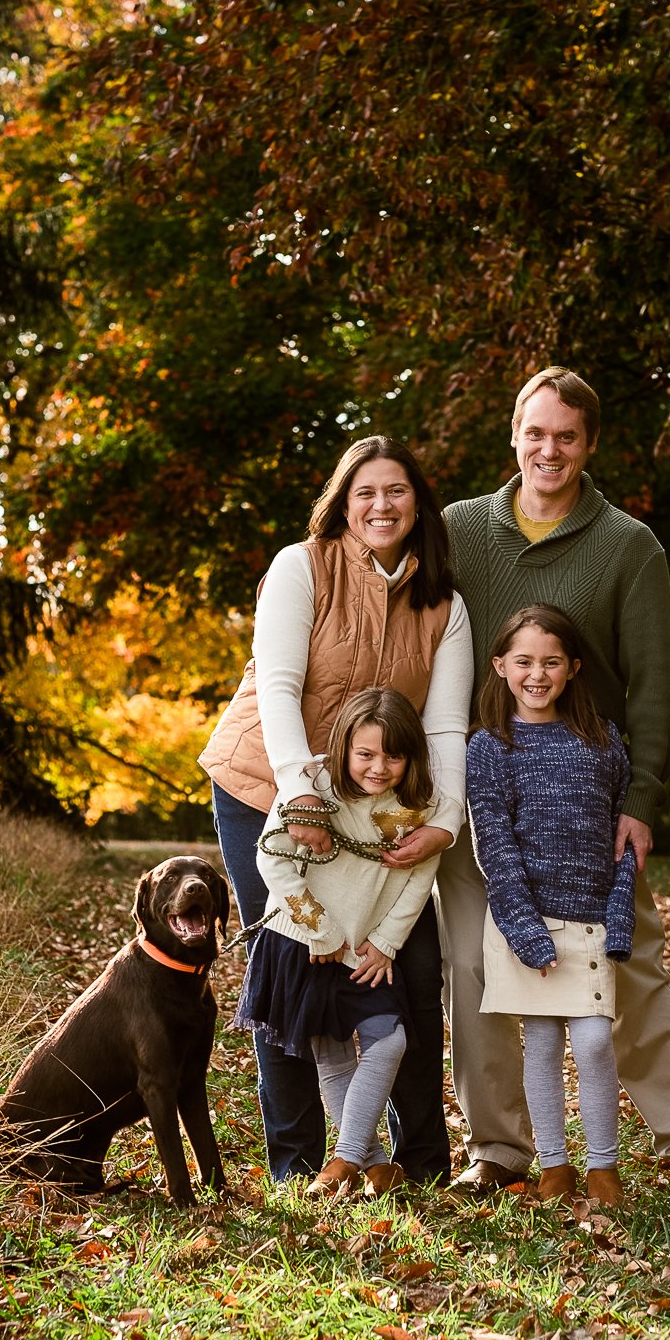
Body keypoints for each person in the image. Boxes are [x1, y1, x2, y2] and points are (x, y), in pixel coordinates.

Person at [438, 366, 670, 1200]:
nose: (550, 450)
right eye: (536, 433)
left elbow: (654, 684)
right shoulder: (459, 531)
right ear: (513, 435)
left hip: (589, 805)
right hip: (488, 796)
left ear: (589, 445)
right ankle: (499, 1150)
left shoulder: (626, 545)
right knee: (477, 972)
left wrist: (640, 800)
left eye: (567, 437)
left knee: (628, 964)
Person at [200, 435, 473, 1183]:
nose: (382, 505)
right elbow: (281, 688)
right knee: (293, 968)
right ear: (344, 503)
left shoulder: (443, 605)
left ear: (419, 506)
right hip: (266, 786)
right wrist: (300, 796)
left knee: (409, 970)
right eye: (366, 493)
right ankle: (298, 1166)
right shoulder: (301, 566)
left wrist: (442, 820)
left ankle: (416, 1165)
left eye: (397, 492)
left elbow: (445, 727)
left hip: (379, 807)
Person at [234, 688, 442, 1198]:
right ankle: (373, 1163)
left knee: (388, 1039)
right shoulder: (314, 787)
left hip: (366, 950)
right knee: (332, 1057)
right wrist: (321, 929)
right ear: (345, 747)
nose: (378, 768)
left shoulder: (420, 805)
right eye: (365, 754)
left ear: (411, 756)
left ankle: (345, 1159)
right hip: (300, 941)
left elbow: (419, 879)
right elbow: (272, 862)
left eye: (392, 756)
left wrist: (387, 942)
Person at [466, 606, 635, 1207]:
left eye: (551, 662)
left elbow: (621, 838)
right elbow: (494, 843)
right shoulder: (489, 747)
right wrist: (524, 931)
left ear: (572, 669)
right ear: (501, 667)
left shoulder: (601, 739)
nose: (537, 674)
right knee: (539, 1043)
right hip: (524, 922)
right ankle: (555, 1166)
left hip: (590, 921)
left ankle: (603, 1167)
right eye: (524, 662)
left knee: (592, 1042)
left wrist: (619, 915)